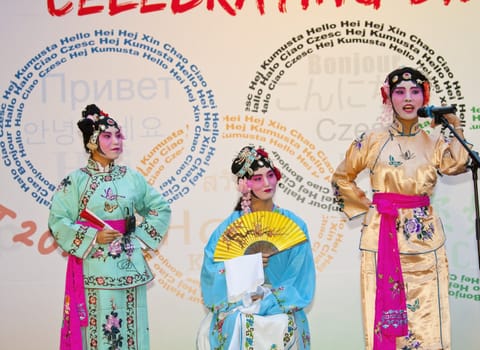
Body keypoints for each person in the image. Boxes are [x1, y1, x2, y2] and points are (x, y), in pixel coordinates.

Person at [331, 67, 471, 350]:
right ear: (388, 97)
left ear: (424, 98)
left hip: (425, 242)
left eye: (415, 92)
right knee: (381, 316)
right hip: (382, 237)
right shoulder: (372, 139)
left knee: (429, 320)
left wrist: (455, 126)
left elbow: (457, 164)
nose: (408, 98)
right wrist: (368, 210)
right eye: (400, 92)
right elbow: (341, 177)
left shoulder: (434, 140)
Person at [48, 104, 172, 350]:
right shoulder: (76, 180)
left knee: (132, 328)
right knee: (99, 332)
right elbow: (57, 220)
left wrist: (139, 240)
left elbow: (160, 209)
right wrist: (93, 236)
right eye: (107, 136)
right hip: (93, 266)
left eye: (118, 135)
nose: (116, 141)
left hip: (128, 266)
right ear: (92, 141)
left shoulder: (131, 177)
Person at [197, 145, 316, 350]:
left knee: (284, 323)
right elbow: (211, 275)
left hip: (281, 305)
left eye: (270, 175)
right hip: (239, 304)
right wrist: (245, 266)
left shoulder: (295, 226)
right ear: (244, 184)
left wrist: (267, 298)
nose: (267, 183)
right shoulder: (227, 229)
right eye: (258, 178)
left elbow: (300, 278)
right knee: (238, 323)